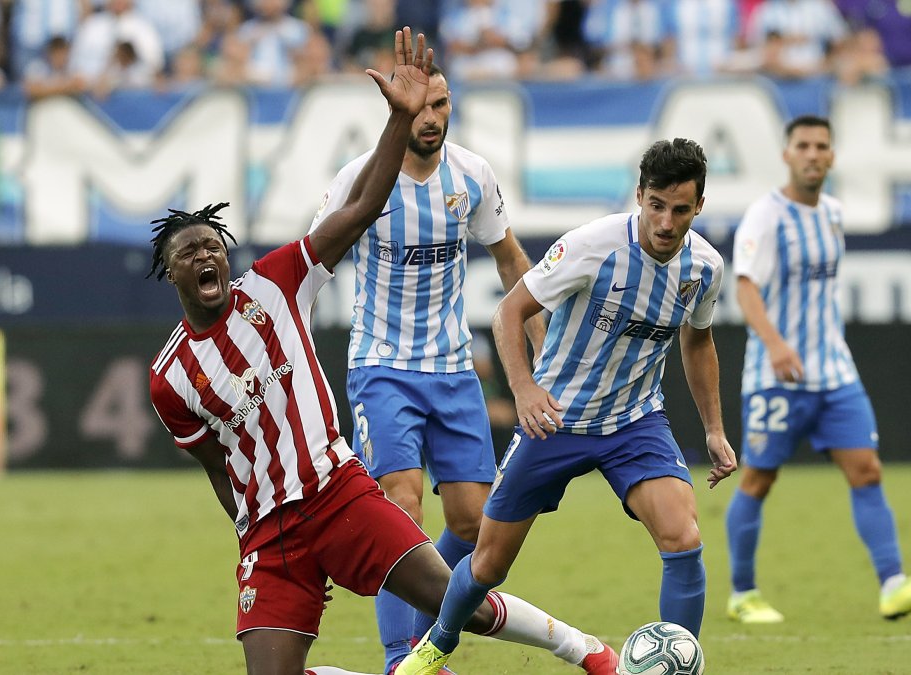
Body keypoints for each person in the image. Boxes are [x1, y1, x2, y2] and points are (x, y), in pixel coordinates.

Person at [147, 28, 616, 675]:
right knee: (394, 512)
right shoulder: (171, 378)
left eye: (211, 246)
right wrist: (248, 533)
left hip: (346, 480)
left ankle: (583, 649)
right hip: (283, 513)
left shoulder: (276, 283)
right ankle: (402, 662)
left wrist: (397, 117)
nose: (204, 256)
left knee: (464, 570)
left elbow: (374, 207)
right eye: (188, 253)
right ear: (171, 274)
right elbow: (216, 467)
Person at [398, 138, 737, 674]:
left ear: (699, 206)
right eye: (656, 205)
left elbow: (698, 342)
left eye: (680, 210)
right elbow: (509, 312)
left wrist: (714, 429)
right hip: (557, 418)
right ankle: (434, 646)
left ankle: (676, 668)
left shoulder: (705, 267)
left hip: (634, 421)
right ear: (640, 195)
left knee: (683, 538)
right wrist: (524, 389)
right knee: (487, 564)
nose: (666, 222)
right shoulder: (592, 246)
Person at [311, 58, 545, 674]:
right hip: (381, 367)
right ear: (397, 111)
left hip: (453, 369)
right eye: (419, 107)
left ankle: (423, 644)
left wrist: (543, 351)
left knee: (473, 524)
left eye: (441, 104)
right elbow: (311, 268)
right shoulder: (360, 179)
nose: (432, 117)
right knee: (401, 507)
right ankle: (401, 660)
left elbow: (510, 260)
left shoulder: (472, 176)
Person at [723, 115, 911, 625]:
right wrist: (776, 345)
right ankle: (743, 594)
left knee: (867, 470)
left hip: (834, 373)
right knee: (758, 478)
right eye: (803, 145)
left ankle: (893, 585)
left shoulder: (832, 213)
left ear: (831, 156)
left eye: (821, 146)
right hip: (776, 376)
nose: (812, 154)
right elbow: (745, 287)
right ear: (786, 155)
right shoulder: (765, 216)